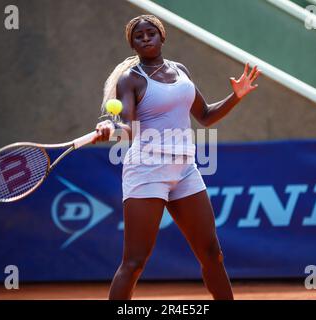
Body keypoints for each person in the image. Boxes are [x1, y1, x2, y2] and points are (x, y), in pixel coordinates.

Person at [92, 15, 260, 300]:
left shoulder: (181, 71)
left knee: (212, 254)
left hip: (185, 169)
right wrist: (111, 128)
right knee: (134, 263)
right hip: (147, 170)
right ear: (132, 44)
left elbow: (205, 116)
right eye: (138, 36)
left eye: (150, 33)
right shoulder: (130, 80)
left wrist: (237, 96)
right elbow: (129, 128)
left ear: (162, 36)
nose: (145, 38)